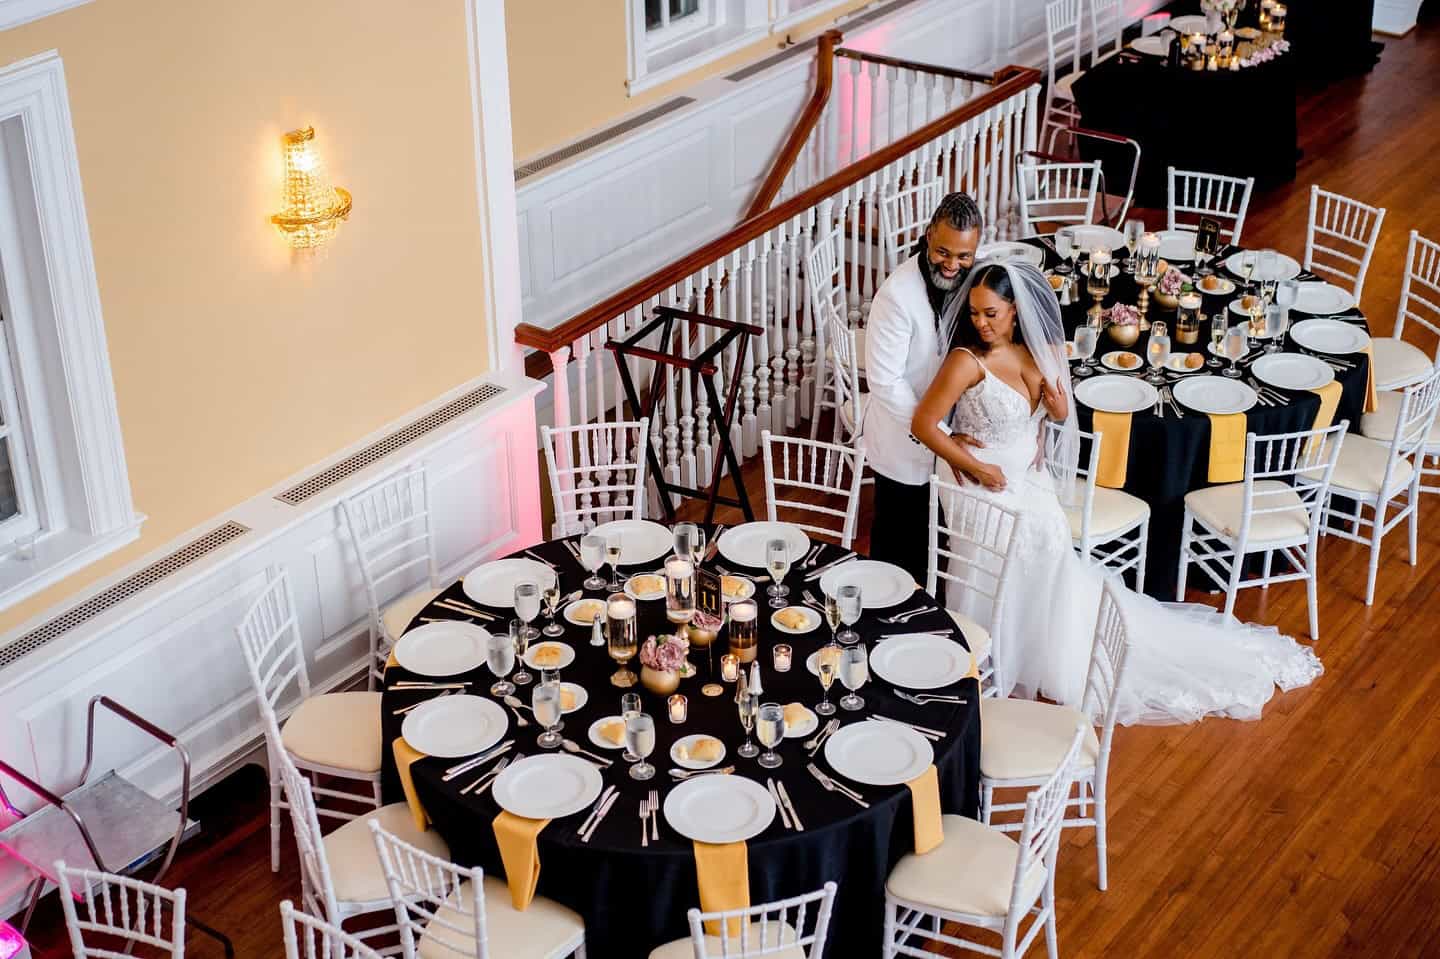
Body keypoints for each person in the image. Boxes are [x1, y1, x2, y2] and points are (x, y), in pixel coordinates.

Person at [909, 260, 1322, 724]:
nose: (981, 323)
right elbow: (924, 424)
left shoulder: (1038, 351)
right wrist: (976, 466)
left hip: (1026, 479)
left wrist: (1054, 407)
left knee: (1049, 539)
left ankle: (1036, 644)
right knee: (1016, 546)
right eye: (975, 313)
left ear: (1015, 311)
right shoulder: (967, 361)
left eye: (991, 313)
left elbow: (1057, 416)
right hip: (975, 484)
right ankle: (991, 647)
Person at [860, 192, 983, 586]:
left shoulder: (970, 277)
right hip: (902, 446)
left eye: (964, 256)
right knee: (897, 557)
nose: (952, 265)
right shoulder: (896, 296)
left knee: (937, 548)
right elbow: (885, 383)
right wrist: (939, 435)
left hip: (946, 439)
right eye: (943, 252)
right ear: (929, 235)